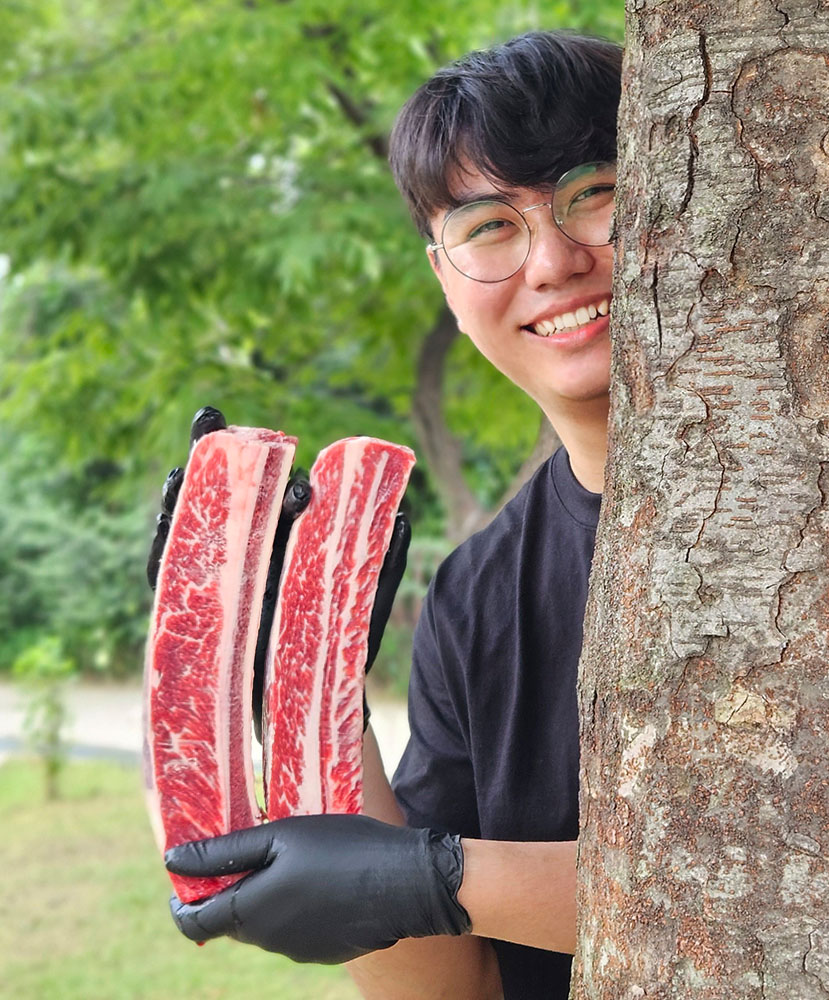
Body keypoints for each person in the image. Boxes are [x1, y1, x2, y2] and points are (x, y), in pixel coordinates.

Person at [163, 30, 621, 1000]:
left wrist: (445, 879)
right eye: (489, 226)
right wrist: (315, 704)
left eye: (594, 193)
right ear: (443, 277)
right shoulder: (475, 593)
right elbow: (447, 990)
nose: (553, 261)